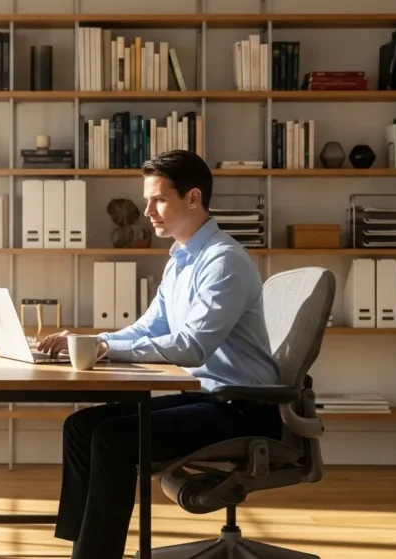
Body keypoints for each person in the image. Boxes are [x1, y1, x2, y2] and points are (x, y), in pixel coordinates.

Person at [36, 149, 285, 559]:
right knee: (80, 426)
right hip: (208, 398)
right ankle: (85, 550)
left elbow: (191, 346)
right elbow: (148, 329)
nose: (147, 211)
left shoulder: (223, 262)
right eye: (147, 200)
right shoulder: (180, 261)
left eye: (158, 200)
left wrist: (104, 349)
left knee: (113, 439)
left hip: (244, 408)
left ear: (193, 198)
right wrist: (89, 341)